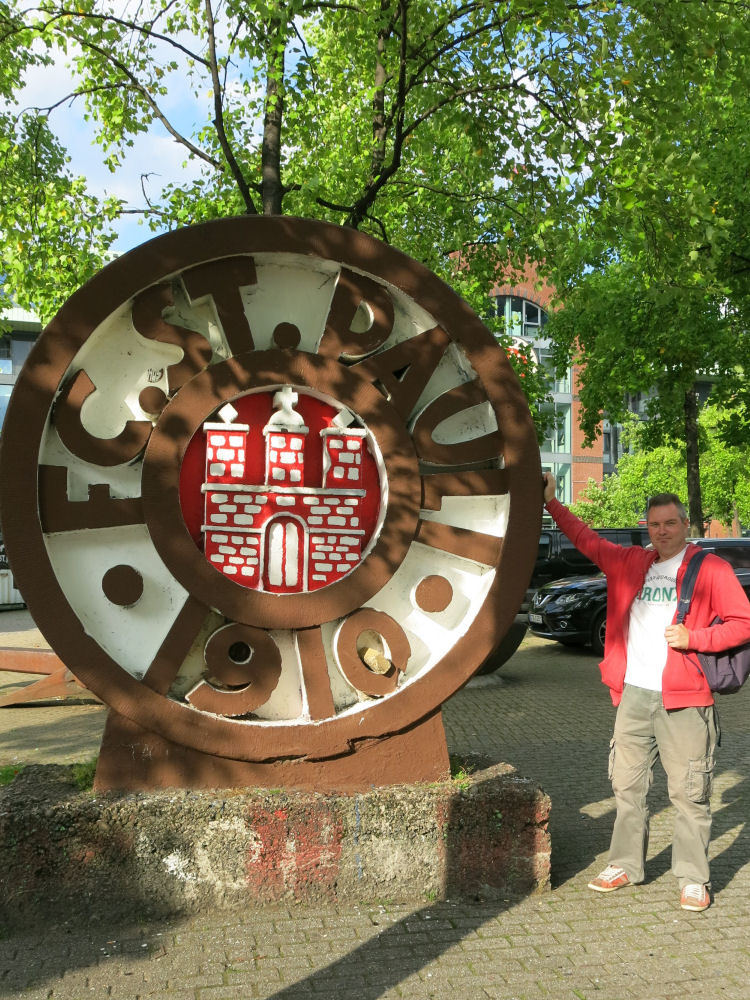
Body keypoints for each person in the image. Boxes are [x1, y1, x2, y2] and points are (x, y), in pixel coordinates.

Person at [542, 472, 750, 911]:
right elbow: (585, 538)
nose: (662, 531)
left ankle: (693, 878)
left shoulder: (711, 569)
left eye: (670, 523)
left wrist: (695, 639)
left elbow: (743, 622)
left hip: (686, 700)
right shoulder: (630, 562)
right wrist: (551, 502)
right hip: (634, 695)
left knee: (690, 794)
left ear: (686, 524)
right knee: (627, 787)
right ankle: (625, 865)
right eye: (655, 524)